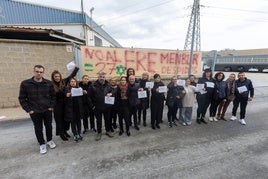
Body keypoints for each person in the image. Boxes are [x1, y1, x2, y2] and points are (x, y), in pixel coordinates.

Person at [19, 65, 56, 154]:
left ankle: (50, 140)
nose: (39, 73)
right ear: (34, 72)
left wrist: (51, 107)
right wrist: (29, 110)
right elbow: (22, 98)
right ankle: (42, 144)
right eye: (37, 71)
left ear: (43, 73)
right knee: (38, 128)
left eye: (41, 72)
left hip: (47, 110)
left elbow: (53, 96)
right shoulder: (25, 83)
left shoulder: (48, 83)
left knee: (49, 126)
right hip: (34, 111)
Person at [51, 67, 79, 141]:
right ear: (53, 77)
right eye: (55, 76)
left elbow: (71, 76)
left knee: (65, 119)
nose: (57, 78)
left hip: (65, 104)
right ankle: (61, 133)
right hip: (57, 105)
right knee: (59, 120)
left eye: (58, 76)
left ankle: (65, 131)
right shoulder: (51, 85)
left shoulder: (63, 82)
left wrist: (76, 69)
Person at [91, 72, 114, 141]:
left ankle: (108, 131)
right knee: (99, 121)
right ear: (98, 77)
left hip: (107, 106)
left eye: (103, 77)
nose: (102, 78)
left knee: (107, 119)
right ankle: (99, 132)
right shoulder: (93, 85)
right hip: (97, 107)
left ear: (105, 77)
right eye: (100, 77)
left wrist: (111, 93)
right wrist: (92, 106)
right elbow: (89, 97)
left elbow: (112, 92)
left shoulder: (108, 85)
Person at [65, 77, 85, 142]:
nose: (73, 83)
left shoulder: (79, 89)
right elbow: (64, 99)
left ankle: (79, 133)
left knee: (79, 122)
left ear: (76, 82)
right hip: (71, 109)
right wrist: (66, 96)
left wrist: (84, 93)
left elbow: (83, 99)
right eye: (71, 81)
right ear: (69, 83)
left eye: (74, 81)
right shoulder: (67, 89)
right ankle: (75, 134)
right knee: (73, 122)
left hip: (78, 109)